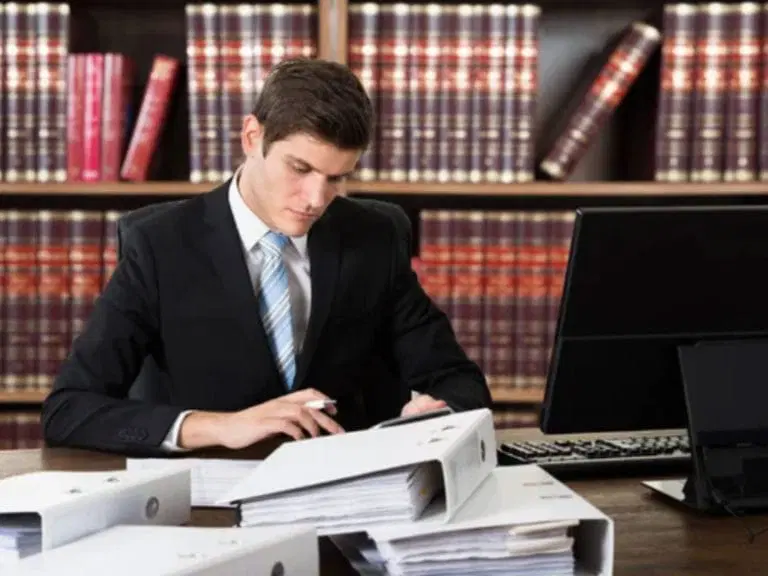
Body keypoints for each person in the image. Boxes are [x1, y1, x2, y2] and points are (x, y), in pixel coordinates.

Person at [41, 58, 492, 457]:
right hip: (209, 502)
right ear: (252, 136)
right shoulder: (160, 244)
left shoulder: (374, 236)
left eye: (337, 178)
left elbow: (458, 381)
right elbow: (69, 410)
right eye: (300, 168)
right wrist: (223, 425)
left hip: (346, 498)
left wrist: (434, 414)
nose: (316, 198)